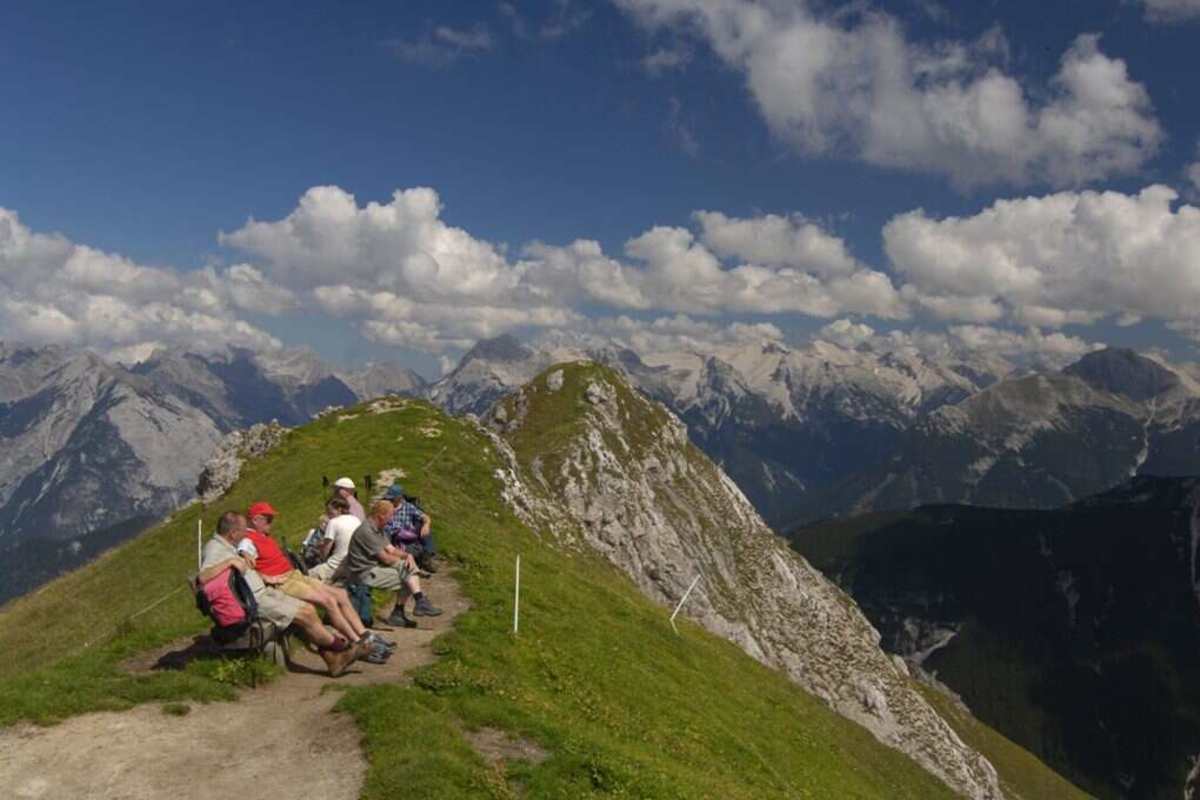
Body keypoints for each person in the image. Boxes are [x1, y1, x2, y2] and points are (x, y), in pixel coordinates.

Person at [197, 511, 362, 676]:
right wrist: (229, 561)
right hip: (252, 603)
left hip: (262, 591)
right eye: (242, 530)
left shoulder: (227, 545)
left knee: (309, 609)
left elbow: (243, 572)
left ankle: (334, 658)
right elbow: (202, 577)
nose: (245, 533)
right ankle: (342, 648)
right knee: (305, 614)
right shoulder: (215, 548)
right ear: (233, 533)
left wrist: (265, 577)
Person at [243, 501, 393, 662]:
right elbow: (245, 563)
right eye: (268, 519)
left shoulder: (261, 536)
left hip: (293, 575)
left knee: (341, 594)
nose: (271, 523)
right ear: (256, 519)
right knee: (328, 600)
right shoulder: (247, 540)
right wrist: (264, 577)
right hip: (282, 582)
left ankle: (365, 635)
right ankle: (358, 644)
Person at [340, 500, 442, 627]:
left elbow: (391, 549)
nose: (392, 519)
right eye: (391, 516)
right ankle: (414, 604)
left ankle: (413, 605)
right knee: (409, 576)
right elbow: (386, 558)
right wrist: (405, 562)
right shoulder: (367, 531)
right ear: (381, 515)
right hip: (363, 573)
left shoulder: (378, 528)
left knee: (409, 574)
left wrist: (407, 555)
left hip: (373, 568)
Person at [382, 483, 438, 573]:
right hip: (392, 536)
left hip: (407, 536)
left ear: (399, 497)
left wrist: (426, 524)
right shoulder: (385, 505)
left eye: (392, 498)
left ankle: (427, 556)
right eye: (389, 498)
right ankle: (386, 558)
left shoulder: (408, 507)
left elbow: (425, 517)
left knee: (425, 529)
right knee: (386, 531)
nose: (390, 500)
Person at [308, 497, 360, 584]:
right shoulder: (356, 519)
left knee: (305, 576)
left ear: (339, 509)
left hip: (336, 566)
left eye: (329, 511)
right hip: (354, 563)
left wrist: (320, 547)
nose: (328, 514)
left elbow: (325, 552)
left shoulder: (333, 522)